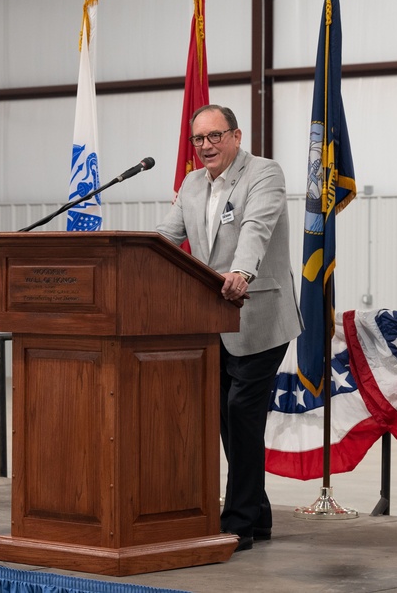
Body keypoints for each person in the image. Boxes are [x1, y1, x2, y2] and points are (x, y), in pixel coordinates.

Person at [157, 104, 303, 551]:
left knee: (241, 414)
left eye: (214, 137)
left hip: (258, 313)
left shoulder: (264, 173)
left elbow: (256, 230)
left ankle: (238, 521)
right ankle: (257, 513)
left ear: (236, 136)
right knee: (225, 419)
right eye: (198, 140)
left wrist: (242, 273)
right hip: (211, 320)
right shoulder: (191, 184)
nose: (206, 147)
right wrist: (134, 256)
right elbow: (168, 234)